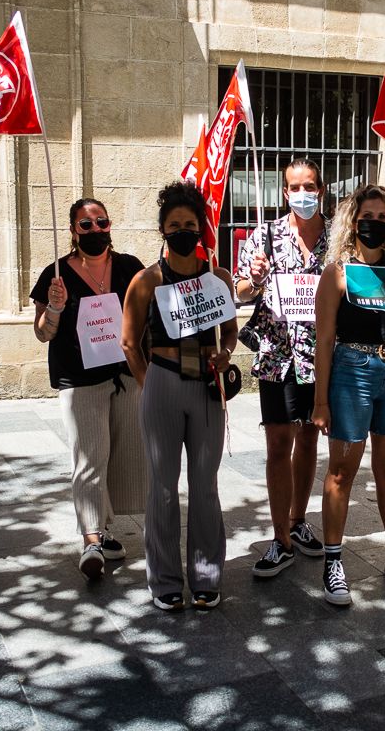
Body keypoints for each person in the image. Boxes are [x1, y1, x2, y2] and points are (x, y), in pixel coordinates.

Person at [310, 184, 385, 606]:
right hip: (350, 372)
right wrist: (320, 401)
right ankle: (333, 561)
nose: (375, 224)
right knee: (342, 470)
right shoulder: (338, 273)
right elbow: (324, 340)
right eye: (368, 217)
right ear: (353, 221)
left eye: (383, 218)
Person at [122, 181, 238, 611]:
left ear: (201, 228)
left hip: (207, 386)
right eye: (174, 225)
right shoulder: (146, 281)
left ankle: (206, 575)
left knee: (205, 485)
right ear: (162, 230)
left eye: (190, 224)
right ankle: (165, 579)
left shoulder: (218, 279)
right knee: (163, 487)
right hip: (164, 383)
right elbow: (129, 342)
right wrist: (150, 383)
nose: (182, 231)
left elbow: (230, 331)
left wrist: (225, 354)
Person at [30, 198, 147, 580]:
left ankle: (105, 529)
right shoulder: (57, 274)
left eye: (102, 222)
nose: (95, 229)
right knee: (89, 457)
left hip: (125, 376)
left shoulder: (130, 267)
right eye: (86, 224)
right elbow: (43, 333)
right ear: (73, 231)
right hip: (79, 380)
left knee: (122, 457)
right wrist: (55, 307)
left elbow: (151, 313)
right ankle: (91, 540)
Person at [234, 158, 328, 577]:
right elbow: (240, 291)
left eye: (310, 186)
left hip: (321, 356)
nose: (302, 194)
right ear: (285, 192)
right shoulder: (265, 236)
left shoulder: (338, 238)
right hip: (278, 355)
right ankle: (280, 539)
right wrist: (255, 279)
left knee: (308, 440)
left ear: (321, 190)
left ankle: (298, 520)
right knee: (278, 444)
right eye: (295, 187)